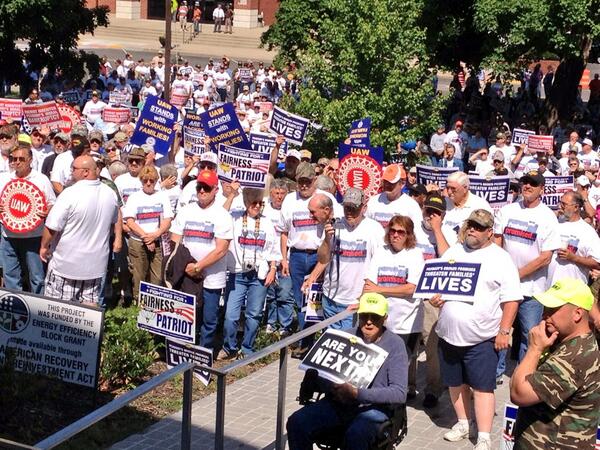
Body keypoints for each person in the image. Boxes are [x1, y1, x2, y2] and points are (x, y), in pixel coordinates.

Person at [430, 209, 522, 450]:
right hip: (449, 334)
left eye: (479, 227)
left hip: (482, 338)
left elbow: (512, 299)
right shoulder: (455, 251)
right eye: (470, 224)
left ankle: (482, 435)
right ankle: (462, 422)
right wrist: (435, 297)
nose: (472, 229)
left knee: (482, 388)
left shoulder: (501, 258)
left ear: (490, 232)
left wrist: (504, 332)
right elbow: (439, 283)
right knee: (455, 383)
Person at [286, 292, 408, 450]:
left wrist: (358, 394)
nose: (369, 322)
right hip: (339, 402)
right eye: (364, 316)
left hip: (374, 406)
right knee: (297, 422)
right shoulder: (345, 336)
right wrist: (332, 387)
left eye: (375, 317)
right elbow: (324, 375)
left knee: (356, 435)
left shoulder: (395, 345)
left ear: (384, 318)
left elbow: (399, 392)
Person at [510, 278, 600, 449]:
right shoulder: (564, 341)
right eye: (545, 308)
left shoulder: (575, 356)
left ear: (577, 314)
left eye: (553, 309)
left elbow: (518, 393)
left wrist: (534, 349)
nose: (545, 315)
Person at [494, 171, 560, 362]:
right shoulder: (508, 210)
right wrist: (504, 275)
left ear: (542, 189)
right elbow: (497, 241)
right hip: (504, 286)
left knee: (528, 335)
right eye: (525, 182)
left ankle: (523, 375)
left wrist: (515, 275)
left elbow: (545, 257)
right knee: (500, 329)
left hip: (532, 290)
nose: (527, 186)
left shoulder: (548, 217)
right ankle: (496, 372)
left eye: (533, 183)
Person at [40, 155, 119, 304]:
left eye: (74, 168)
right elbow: (114, 221)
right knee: (89, 311)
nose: (71, 172)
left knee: (57, 310)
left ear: (86, 172)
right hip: (95, 265)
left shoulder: (69, 193)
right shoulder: (110, 193)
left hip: (66, 265)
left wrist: (44, 247)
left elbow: (52, 227)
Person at [170, 169, 232, 349]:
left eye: (206, 187)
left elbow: (221, 249)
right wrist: (188, 266)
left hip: (211, 277)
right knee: (185, 316)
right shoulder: (186, 211)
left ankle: (203, 358)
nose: (202, 191)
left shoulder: (222, 215)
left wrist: (198, 267)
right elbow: (175, 241)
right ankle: (182, 352)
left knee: (209, 319)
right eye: (199, 187)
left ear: (215, 190)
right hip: (187, 274)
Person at [364, 215, 425, 399]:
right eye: (393, 231)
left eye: (401, 232)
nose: (396, 235)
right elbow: (369, 284)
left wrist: (380, 289)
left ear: (409, 235)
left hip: (406, 323)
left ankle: (397, 403)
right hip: (381, 321)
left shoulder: (415, 255)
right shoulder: (381, 252)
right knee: (377, 364)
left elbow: (410, 288)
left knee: (399, 366)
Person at [304, 188, 383, 330]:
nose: (349, 212)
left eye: (354, 208)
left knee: (348, 343)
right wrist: (327, 240)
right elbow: (323, 259)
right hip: (330, 297)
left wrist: (363, 298)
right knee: (330, 339)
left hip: (353, 301)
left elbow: (378, 267)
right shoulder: (335, 224)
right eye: (347, 208)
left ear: (364, 208)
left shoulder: (374, 229)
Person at [218, 188, 280, 359]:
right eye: (253, 203)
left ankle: (247, 348)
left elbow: (273, 248)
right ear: (246, 203)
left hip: (258, 275)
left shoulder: (267, 223)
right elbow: (220, 214)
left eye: (260, 203)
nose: (257, 207)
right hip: (238, 274)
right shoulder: (235, 217)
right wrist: (231, 194)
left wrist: (273, 269)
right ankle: (229, 347)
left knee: (254, 314)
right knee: (231, 314)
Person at [0, 143, 55, 294]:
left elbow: (52, 203)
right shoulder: (4, 178)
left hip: (34, 236)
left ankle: (38, 309)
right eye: (13, 159)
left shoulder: (41, 179)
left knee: (37, 276)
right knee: (10, 274)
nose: (16, 162)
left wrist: (47, 211)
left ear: (30, 159)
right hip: (7, 235)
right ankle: (15, 308)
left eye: (21, 159)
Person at [123, 166, 174, 303]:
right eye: (145, 180)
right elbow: (130, 221)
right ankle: (137, 306)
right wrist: (147, 238)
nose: (149, 183)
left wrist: (155, 235)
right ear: (141, 181)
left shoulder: (162, 196)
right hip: (138, 241)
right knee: (138, 276)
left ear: (157, 180)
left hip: (157, 241)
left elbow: (168, 220)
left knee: (157, 278)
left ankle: (153, 307)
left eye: (152, 180)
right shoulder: (134, 197)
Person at [263, 179, 295, 336]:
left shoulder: (288, 210)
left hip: (285, 258)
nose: (279, 197)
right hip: (268, 257)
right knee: (270, 294)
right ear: (271, 193)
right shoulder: (265, 210)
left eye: (283, 193)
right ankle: (271, 322)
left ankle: (285, 325)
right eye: (276, 193)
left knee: (285, 293)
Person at [548, 191, 600, 284]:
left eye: (564, 204)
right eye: (560, 203)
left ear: (576, 207)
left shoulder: (587, 231)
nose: (560, 206)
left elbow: (597, 263)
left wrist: (574, 258)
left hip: (572, 292)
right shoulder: (554, 224)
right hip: (547, 289)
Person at [366, 164, 422, 230]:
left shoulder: (411, 206)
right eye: (385, 181)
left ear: (402, 184)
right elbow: (366, 228)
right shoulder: (373, 201)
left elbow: (417, 233)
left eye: (392, 183)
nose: (387, 185)